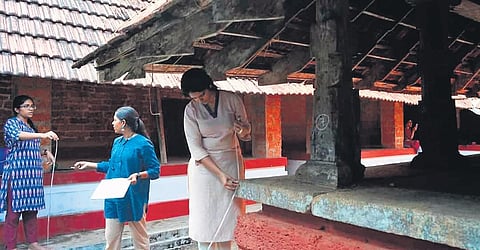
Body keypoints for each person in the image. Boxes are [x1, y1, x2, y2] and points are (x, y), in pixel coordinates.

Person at [181, 68, 252, 250]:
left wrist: (243, 130)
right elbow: (195, 148)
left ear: (209, 85)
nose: (199, 100)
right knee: (205, 218)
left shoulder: (232, 100)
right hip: (205, 169)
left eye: (202, 95)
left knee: (230, 217)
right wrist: (219, 175)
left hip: (231, 161)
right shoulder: (191, 110)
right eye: (194, 97)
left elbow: (246, 133)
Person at [72, 106, 160, 250]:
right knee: (111, 239)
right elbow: (113, 166)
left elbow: (155, 170)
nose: (113, 123)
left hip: (133, 196)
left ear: (123, 123)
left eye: (115, 120)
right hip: (113, 195)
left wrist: (138, 175)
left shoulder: (143, 144)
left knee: (140, 240)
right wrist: (89, 165)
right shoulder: (117, 142)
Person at [0, 95, 59, 250]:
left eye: (32, 106)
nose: (31, 108)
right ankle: (10, 246)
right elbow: (18, 136)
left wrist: (45, 153)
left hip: (32, 176)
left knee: (31, 210)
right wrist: (43, 135)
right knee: (13, 214)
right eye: (27, 106)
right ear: (17, 109)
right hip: (17, 175)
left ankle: (32, 243)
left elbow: (28, 149)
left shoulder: (31, 127)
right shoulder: (12, 124)